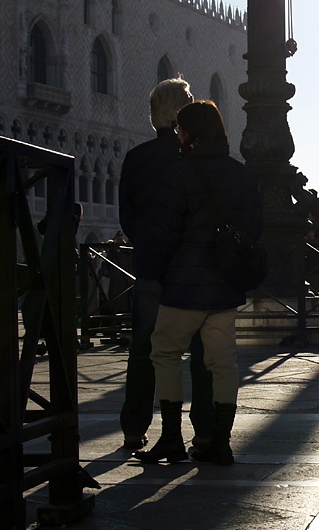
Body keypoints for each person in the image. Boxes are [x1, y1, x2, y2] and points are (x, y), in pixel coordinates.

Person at [133, 100, 261, 465]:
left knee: (165, 352)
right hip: (224, 288)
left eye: (180, 131)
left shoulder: (180, 175)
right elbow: (254, 229)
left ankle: (171, 437)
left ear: (188, 134)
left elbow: (162, 233)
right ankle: (220, 441)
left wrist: (153, 272)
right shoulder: (242, 175)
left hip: (184, 288)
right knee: (223, 363)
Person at [118, 78, 213, 451]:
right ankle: (203, 430)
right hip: (192, 271)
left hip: (151, 269)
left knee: (143, 349)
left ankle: (133, 427)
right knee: (200, 351)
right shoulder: (193, 158)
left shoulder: (136, 158)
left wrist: (148, 244)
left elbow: (127, 218)